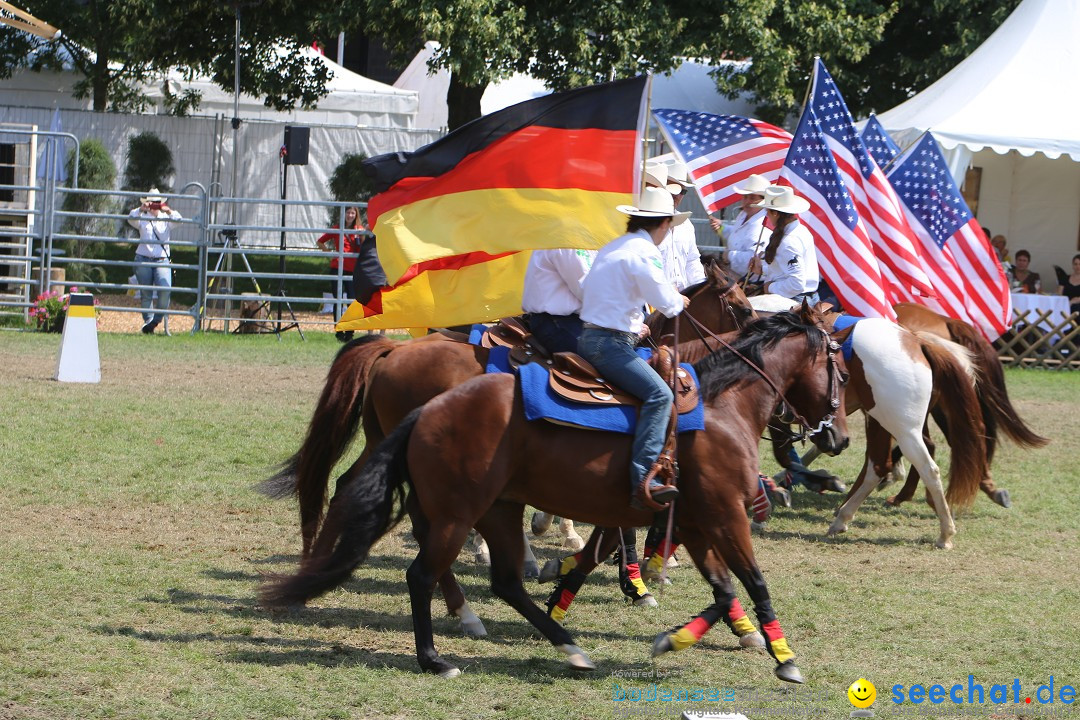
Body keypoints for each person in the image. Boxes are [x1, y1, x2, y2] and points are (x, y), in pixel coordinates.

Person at [578, 187, 691, 510]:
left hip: (592, 337)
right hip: (611, 344)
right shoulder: (644, 251)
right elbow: (667, 304)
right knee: (661, 395)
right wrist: (678, 298)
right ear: (665, 224)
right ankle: (645, 479)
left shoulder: (613, 246)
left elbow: (590, 290)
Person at [746, 186, 819, 302]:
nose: (767, 215)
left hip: (794, 299)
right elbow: (785, 271)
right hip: (805, 297)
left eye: (767, 211)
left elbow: (796, 284)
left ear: (775, 213)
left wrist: (769, 287)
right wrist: (762, 270)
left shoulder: (789, 241)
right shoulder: (801, 230)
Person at [128, 188, 181, 334]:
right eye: (151, 202)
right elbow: (131, 218)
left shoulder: (166, 218)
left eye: (157, 203)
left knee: (165, 290)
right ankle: (148, 323)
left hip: (161, 260)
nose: (154, 205)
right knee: (146, 293)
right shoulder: (142, 217)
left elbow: (179, 219)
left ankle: (155, 321)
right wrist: (141, 209)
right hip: (143, 258)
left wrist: (168, 210)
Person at [521, 248, 594, 353]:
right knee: (615, 361)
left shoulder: (579, 243)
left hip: (569, 322)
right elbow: (588, 290)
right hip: (559, 322)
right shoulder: (568, 242)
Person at [653, 159, 706, 291]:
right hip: (656, 298)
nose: (677, 196)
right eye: (673, 189)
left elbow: (692, 261)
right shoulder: (649, 224)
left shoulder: (686, 225)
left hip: (682, 298)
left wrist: (701, 288)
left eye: (682, 191)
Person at [712, 174, 769, 279]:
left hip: (752, 281)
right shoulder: (743, 215)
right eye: (745, 197)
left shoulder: (765, 224)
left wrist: (729, 256)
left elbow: (754, 258)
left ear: (763, 200)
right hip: (737, 276)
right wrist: (722, 228)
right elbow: (737, 234)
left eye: (752, 198)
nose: (747, 201)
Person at [316, 206, 364, 318]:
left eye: (352, 213)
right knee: (337, 298)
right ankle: (338, 327)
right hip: (337, 267)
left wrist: (362, 236)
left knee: (352, 299)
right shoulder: (337, 228)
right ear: (344, 214)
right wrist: (329, 253)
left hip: (352, 268)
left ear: (356, 215)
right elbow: (320, 242)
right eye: (348, 212)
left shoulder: (359, 229)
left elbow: (362, 249)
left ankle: (349, 328)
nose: (350, 215)